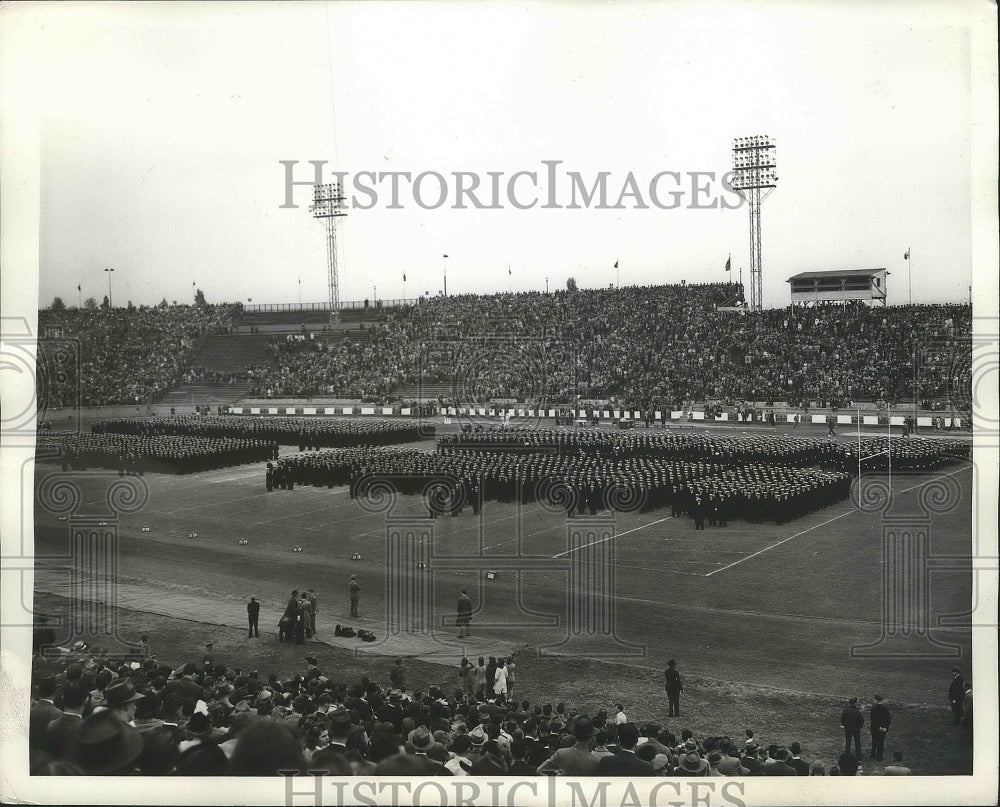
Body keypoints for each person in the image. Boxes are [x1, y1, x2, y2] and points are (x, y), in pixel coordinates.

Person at [869, 695, 892, 761]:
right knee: (881, 742)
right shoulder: (885, 709)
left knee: (874, 741)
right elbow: (888, 719)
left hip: (875, 729)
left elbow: (873, 720)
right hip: (883, 729)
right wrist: (885, 728)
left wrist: (877, 727)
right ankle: (879, 757)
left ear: (876, 700)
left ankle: (873, 755)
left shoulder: (873, 709)